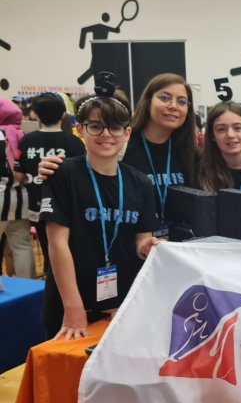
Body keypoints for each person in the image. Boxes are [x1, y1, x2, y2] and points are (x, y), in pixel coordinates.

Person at [40, 91, 159, 339]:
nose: (106, 134)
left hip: (120, 305)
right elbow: (57, 243)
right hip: (71, 306)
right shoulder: (62, 174)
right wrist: (73, 306)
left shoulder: (141, 183)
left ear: (127, 133)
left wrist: (148, 247)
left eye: (115, 127)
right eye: (95, 126)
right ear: (80, 130)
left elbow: (141, 239)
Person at [39, 74, 199, 239]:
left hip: (178, 245)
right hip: (122, 242)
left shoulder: (191, 153)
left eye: (182, 101)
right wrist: (51, 168)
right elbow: (83, 174)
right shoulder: (118, 143)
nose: (173, 106)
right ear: (147, 102)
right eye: (164, 98)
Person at [14, 93, 86, 277]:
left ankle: (50, 281)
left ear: (36, 115)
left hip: (37, 205)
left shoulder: (26, 140)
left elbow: (19, 175)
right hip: (68, 206)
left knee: (48, 249)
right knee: (70, 248)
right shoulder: (74, 142)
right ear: (63, 114)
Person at [0, 99, 35, 279]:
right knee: (22, 245)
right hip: (22, 196)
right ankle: (28, 287)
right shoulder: (24, 135)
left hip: (0, 194)